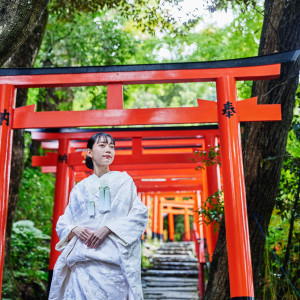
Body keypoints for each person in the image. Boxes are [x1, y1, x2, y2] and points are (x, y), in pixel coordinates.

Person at [49, 132, 149, 300]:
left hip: (113, 268)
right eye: (102, 145)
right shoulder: (80, 188)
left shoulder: (124, 181)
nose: (108, 150)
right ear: (89, 152)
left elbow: (139, 214)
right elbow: (64, 221)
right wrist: (75, 229)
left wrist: (109, 228)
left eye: (112, 146)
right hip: (81, 268)